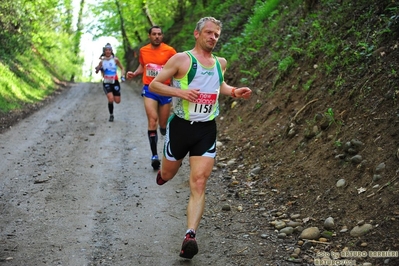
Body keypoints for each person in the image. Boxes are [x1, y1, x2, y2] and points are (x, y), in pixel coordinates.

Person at [149, 17, 252, 259]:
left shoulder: (220, 63)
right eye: (208, 33)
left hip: (206, 129)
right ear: (197, 34)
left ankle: (190, 236)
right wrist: (179, 91)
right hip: (180, 127)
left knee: (199, 182)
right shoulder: (181, 59)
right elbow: (155, 85)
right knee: (168, 174)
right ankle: (164, 173)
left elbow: (220, 85)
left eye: (216, 34)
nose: (212, 37)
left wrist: (234, 91)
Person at [126, 26, 177, 170]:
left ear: (162, 36)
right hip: (150, 88)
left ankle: (165, 139)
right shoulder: (143, 50)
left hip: (165, 89)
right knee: (152, 120)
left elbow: (178, 67)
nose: (157, 36)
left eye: (159, 34)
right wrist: (135, 73)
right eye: (154, 34)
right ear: (149, 36)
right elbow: (143, 66)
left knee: (163, 124)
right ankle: (154, 156)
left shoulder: (170, 51)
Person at [95, 43, 125, 122]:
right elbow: (97, 70)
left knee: (117, 101)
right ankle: (111, 115)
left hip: (115, 81)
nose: (108, 51)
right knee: (110, 99)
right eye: (106, 50)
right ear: (104, 52)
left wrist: (122, 76)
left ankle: (115, 97)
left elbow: (122, 68)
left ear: (111, 51)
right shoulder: (102, 61)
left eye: (109, 50)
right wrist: (98, 69)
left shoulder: (115, 60)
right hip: (106, 82)